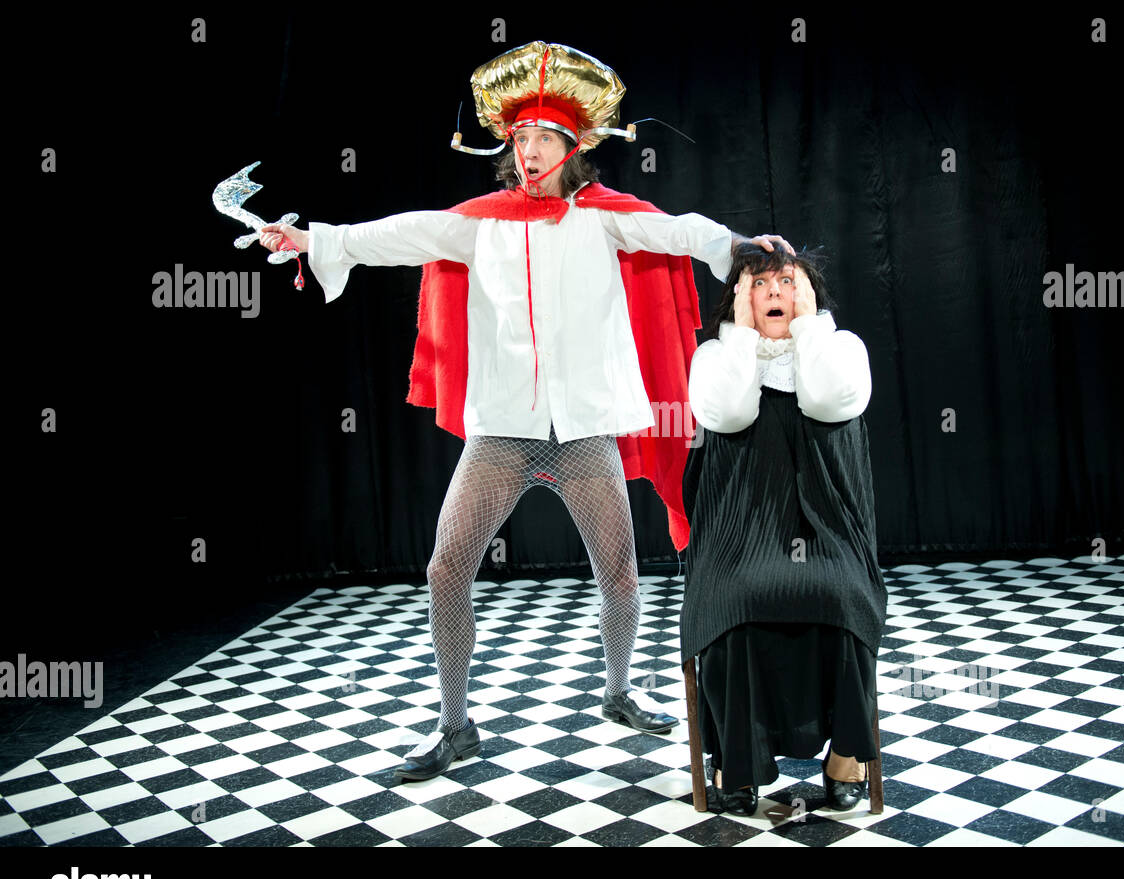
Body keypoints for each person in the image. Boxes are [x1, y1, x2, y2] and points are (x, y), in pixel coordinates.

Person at [257, 41, 793, 783]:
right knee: (447, 567)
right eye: (521, 139)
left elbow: (677, 229)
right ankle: (454, 724)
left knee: (621, 574)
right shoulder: (482, 223)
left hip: (584, 437)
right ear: (509, 149)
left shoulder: (604, 218)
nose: (531, 150)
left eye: (545, 139)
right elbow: (392, 234)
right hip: (501, 435)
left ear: (573, 150)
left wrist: (735, 246)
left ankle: (617, 690)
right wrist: (310, 238)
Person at [680, 242, 888, 815]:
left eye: (788, 282)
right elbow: (729, 413)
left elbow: (826, 400)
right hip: (739, 535)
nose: (775, 292)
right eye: (760, 283)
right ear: (739, 299)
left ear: (811, 293)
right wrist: (743, 338)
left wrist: (808, 331)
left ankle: (847, 758)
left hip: (827, 531)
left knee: (843, 596)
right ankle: (737, 765)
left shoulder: (842, 349)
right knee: (735, 600)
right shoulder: (715, 357)